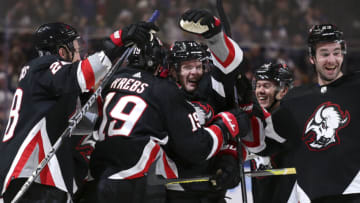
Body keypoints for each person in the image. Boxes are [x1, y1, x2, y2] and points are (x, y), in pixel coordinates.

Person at [0, 21, 158, 202]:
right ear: (62, 52)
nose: (80, 55)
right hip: (32, 173)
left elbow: (85, 116)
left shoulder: (47, 83)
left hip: (36, 175)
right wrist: (118, 39)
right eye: (75, 49)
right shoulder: (44, 65)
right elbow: (82, 74)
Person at [87, 30, 250, 202]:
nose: (195, 72)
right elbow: (197, 145)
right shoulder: (163, 93)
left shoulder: (214, 91)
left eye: (199, 66)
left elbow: (245, 131)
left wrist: (229, 158)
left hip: (210, 190)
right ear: (172, 69)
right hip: (170, 190)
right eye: (188, 67)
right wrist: (225, 126)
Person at [261, 24, 360, 202]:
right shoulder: (293, 100)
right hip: (311, 197)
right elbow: (267, 142)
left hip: (354, 193)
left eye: (336, 53)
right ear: (312, 58)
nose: (332, 60)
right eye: (324, 54)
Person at [251, 62, 296, 203]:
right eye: (258, 85)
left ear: (283, 90)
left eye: (266, 86)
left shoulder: (289, 118)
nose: (260, 90)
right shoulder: (258, 119)